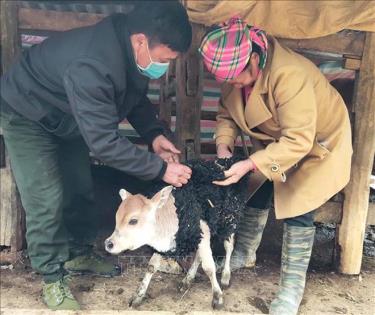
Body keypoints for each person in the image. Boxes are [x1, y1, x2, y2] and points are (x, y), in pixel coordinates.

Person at [0, 1, 192, 310]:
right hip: (27, 113)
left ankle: (78, 255)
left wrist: (154, 136)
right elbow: (104, 143)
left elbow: (135, 98)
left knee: (79, 186)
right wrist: (160, 170)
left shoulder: (128, 49)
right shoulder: (91, 64)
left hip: (68, 114)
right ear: (142, 40)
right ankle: (52, 277)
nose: (165, 66)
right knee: (46, 198)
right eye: (165, 58)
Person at [199, 17, 352, 315]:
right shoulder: (237, 74)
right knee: (256, 187)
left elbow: (298, 141)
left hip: (316, 145)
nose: (230, 83)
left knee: (298, 205)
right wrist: (223, 145)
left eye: (235, 77)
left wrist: (250, 163)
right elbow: (227, 114)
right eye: (226, 79)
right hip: (274, 137)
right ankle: (244, 253)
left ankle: (292, 287)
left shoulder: (290, 75)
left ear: (254, 60)